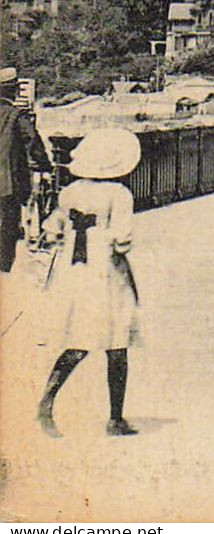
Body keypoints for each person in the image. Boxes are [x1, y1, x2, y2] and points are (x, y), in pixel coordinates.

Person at [36, 126, 143, 437]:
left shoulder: (69, 192)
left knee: (78, 339)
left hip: (74, 273)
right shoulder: (119, 194)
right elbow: (122, 240)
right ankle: (115, 418)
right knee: (117, 343)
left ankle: (47, 401)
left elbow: (53, 229)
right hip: (107, 273)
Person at [0, 67, 52, 273]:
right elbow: (33, 143)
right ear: (14, 91)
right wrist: (45, 166)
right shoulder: (16, 116)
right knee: (7, 229)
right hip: (7, 184)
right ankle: (3, 272)